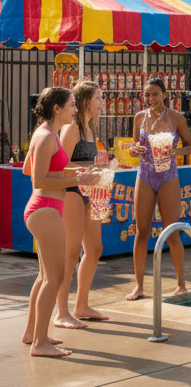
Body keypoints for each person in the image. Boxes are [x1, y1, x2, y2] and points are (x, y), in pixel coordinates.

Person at [21, 88, 97, 357]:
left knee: (45, 277)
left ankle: (33, 333)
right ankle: (40, 344)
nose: (75, 110)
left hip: (47, 208)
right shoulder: (44, 137)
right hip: (44, 210)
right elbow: (37, 179)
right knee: (56, 276)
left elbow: (28, 167)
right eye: (71, 105)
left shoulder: (48, 134)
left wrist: (70, 171)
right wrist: (78, 180)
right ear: (57, 108)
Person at [125, 77, 191, 301]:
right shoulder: (138, 118)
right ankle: (138, 286)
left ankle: (181, 283)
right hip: (144, 175)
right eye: (146, 95)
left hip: (168, 175)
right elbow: (136, 146)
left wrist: (176, 153)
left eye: (154, 94)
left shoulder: (176, 118)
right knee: (141, 230)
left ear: (164, 95)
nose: (150, 99)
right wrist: (134, 151)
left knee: (172, 230)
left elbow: (189, 145)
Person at [55, 80, 110, 329]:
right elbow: (57, 166)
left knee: (95, 248)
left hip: (90, 192)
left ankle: (82, 305)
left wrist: (101, 169)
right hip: (71, 192)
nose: (102, 103)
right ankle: (61, 313)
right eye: (99, 98)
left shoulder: (90, 128)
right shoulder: (73, 129)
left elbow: (84, 163)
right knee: (70, 254)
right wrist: (85, 171)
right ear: (87, 101)